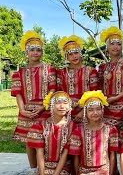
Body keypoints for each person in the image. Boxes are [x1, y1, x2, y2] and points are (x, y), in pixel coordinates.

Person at [11, 30, 56, 174]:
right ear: (26, 52)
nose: (35, 53)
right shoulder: (19, 73)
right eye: (32, 50)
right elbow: (18, 93)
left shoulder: (50, 69)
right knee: (29, 142)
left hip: (45, 110)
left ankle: (45, 168)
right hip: (26, 111)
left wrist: (44, 107)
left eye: (38, 50)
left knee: (45, 140)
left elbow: (52, 90)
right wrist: (22, 109)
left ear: (42, 52)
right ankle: (33, 169)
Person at [68, 90, 119, 174]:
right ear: (85, 112)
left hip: (103, 170)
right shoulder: (78, 130)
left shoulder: (111, 129)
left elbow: (112, 155)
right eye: (91, 110)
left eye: (98, 109)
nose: (95, 113)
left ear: (102, 110)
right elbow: (76, 156)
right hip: (84, 170)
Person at [27, 91, 77, 175]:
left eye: (65, 103)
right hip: (44, 165)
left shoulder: (74, 128)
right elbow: (40, 152)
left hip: (64, 166)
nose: (62, 106)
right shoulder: (40, 127)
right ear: (51, 105)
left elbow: (66, 154)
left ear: (69, 107)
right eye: (58, 103)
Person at [99, 26, 123, 128]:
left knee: (113, 130)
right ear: (107, 46)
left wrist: (117, 97)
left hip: (119, 102)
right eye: (112, 44)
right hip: (104, 103)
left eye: (119, 44)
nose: (115, 46)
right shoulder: (103, 66)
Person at [57, 35, 99, 123]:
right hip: (65, 112)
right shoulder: (61, 73)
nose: (74, 56)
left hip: (87, 112)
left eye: (76, 53)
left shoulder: (91, 71)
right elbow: (59, 94)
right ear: (66, 57)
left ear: (80, 53)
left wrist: (82, 111)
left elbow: (94, 94)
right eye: (70, 54)